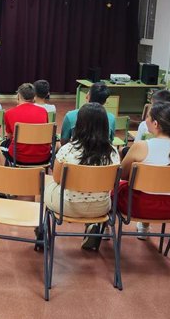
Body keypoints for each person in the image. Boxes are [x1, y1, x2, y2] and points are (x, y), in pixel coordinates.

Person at [44, 103, 121, 250]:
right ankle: (92, 225)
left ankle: (41, 231)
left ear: (79, 124)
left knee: (45, 184)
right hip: (101, 207)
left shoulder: (67, 150)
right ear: (105, 125)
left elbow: (57, 179)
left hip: (68, 205)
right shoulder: (113, 152)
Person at [115, 102, 170, 238]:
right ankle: (144, 227)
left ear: (155, 124)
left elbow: (123, 174)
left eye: (148, 117)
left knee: (115, 188)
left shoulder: (141, 146)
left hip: (139, 207)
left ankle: (103, 230)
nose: (146, 120)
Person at [2, 83, 50, 166]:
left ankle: (9, 172)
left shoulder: (9, 113)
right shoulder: (43, 111)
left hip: (18, 157)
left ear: (18, 96)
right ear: (34, 97)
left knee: (4, 144)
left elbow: (9, 136)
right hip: (43, 156)